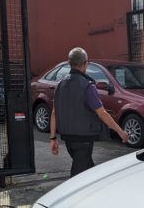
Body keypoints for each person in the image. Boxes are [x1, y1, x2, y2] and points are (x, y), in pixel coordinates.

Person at [50, 47, 128, 176]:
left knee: (89, 171)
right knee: (78, 175)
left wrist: (53, 138)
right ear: (85, 63)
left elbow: (54, 113)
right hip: (83, 140)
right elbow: (102, 113)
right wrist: (120, 131)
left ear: (70, 63)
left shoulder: (60, 85)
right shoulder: (87, 85)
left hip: (68, 139)